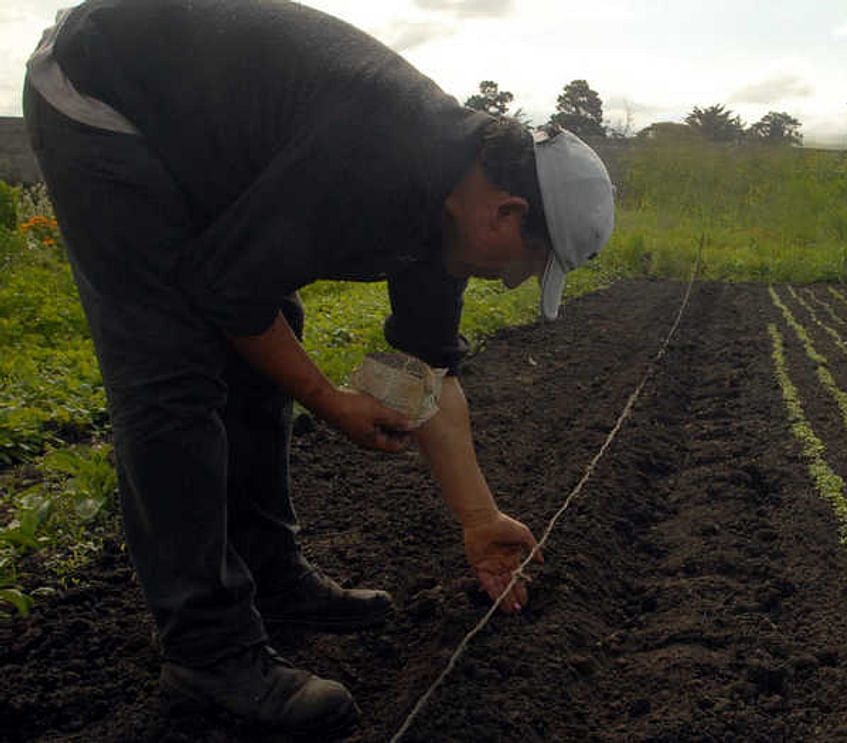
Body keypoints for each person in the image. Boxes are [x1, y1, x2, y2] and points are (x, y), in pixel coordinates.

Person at [22, 0, 615, 734]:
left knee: (277, 331)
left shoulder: (450, 209)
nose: (517, 284)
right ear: (507, 212)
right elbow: (226, 291)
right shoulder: (381, 155)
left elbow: (424, 375)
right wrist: (328, 398)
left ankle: (270, 574)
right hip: (103, 98)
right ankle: (207, 650)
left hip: (196, 126)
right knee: (171, 371)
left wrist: (481, 518)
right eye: (530, 265)